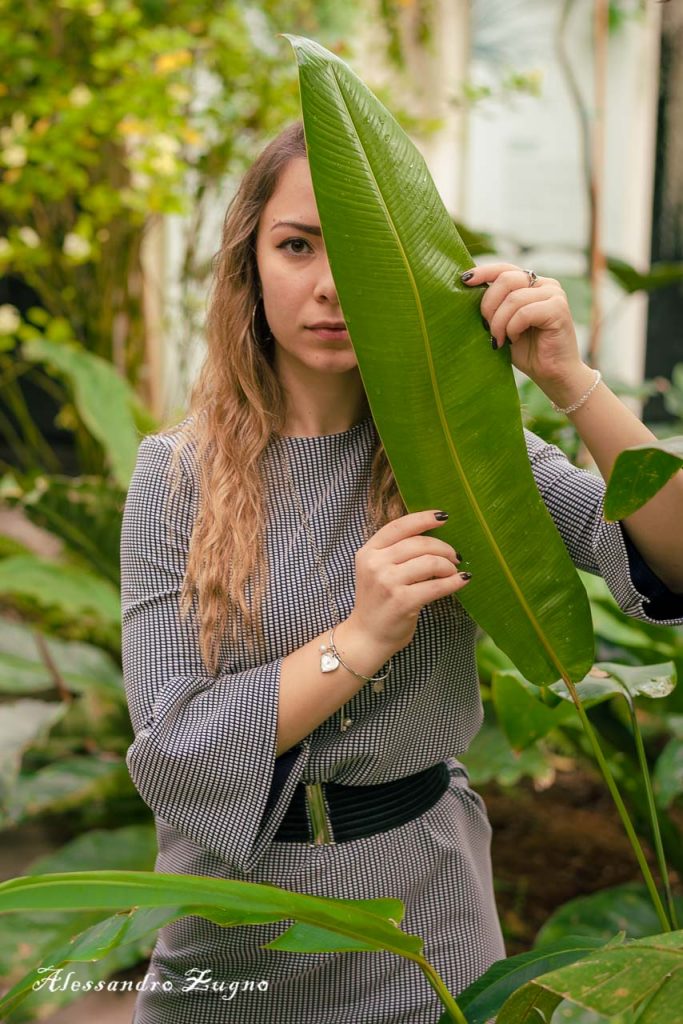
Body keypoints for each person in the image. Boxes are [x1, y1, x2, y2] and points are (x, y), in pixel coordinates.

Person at [120, 119, 683, 1024]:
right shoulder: (176, 475)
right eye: (296, 245)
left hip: (423, 928)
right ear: (249, 266)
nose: (333, 286)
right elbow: (173, 749)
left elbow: (669, 561)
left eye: (359, 251)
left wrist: (568, 379)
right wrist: (359, 639)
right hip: (231, 927)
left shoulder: (456, 456)